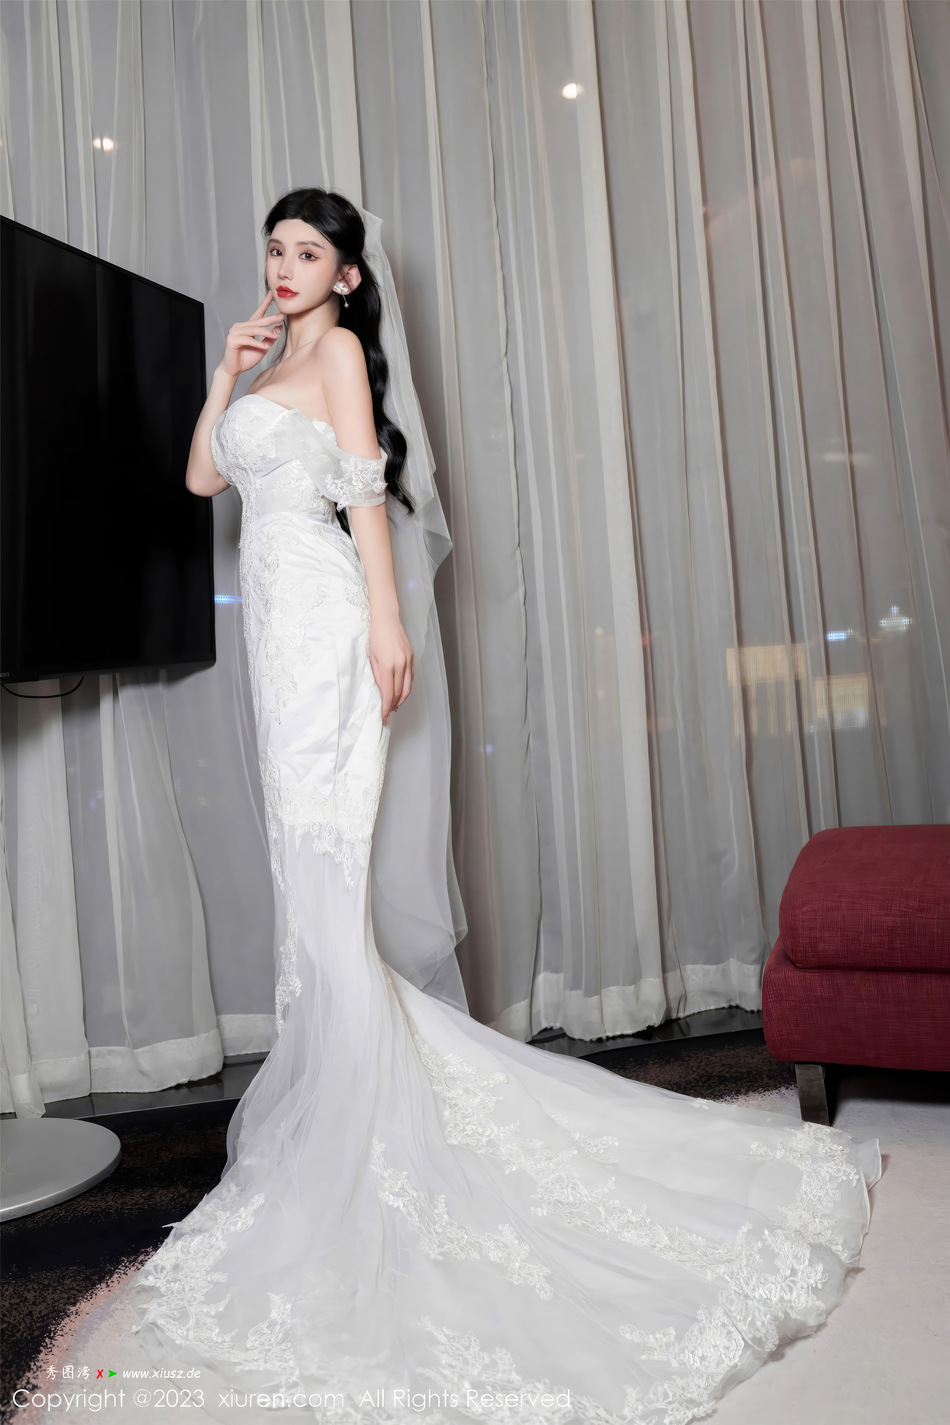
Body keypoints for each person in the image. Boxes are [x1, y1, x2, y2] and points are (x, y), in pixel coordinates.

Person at [60, 190, 881, 1425]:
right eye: (274, 250)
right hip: (275, 636)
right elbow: (198, 478)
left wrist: (387, 624)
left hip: (329, 626)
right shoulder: (269, 357)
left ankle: (361, 1137)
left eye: (307, 253)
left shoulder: (339, 357)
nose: (283, 267)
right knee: (302, 877)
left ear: (346, 277)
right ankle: (341, 1122)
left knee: (325, 873)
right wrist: (224, 372)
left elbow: (363, 497)